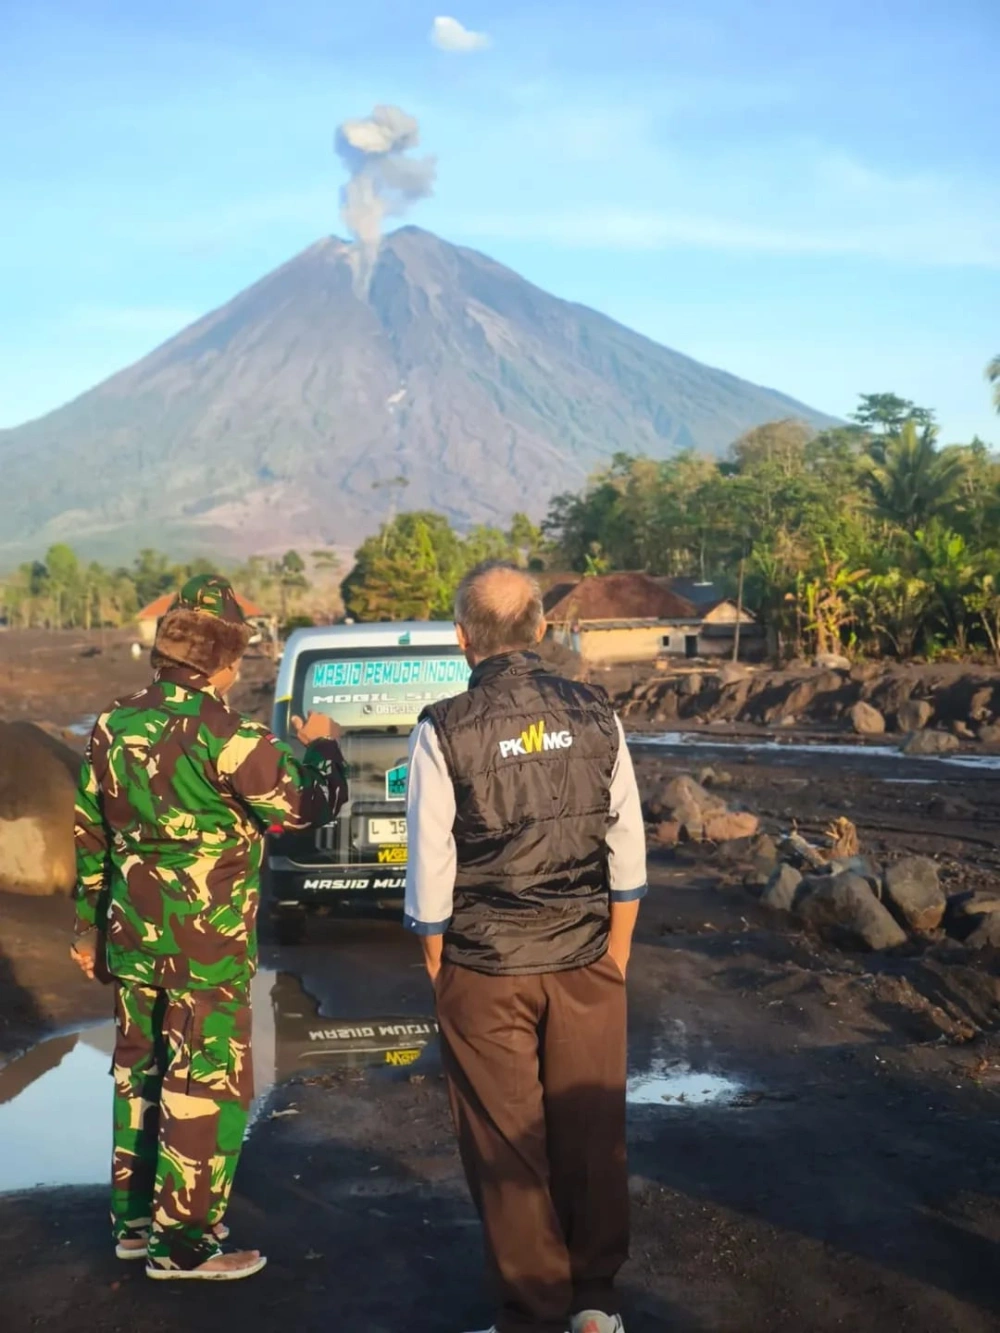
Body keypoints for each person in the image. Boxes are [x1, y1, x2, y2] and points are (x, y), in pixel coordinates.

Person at [70, 574, 347, 1281]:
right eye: (239, 657)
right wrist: (322, 747)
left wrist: (86, 928)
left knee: (139, 1073)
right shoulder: (229, 736)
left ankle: (135, 1225)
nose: (239, 669)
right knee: (204, 1082)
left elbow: (91, 834)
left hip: (132, 941)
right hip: (206, 951)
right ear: (222, 659)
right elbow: (309, 807)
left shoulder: (111, 725)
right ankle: (183, 1244)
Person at [404, 561, 647, 1333]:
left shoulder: (442, 726)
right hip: (584, 963)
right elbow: (629, 853)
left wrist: (439, 963)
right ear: (541, 629)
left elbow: (429, 866)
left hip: (484, 966)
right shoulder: (599, 712)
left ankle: (535, 1314)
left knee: (508, 1144)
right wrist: (615, 956)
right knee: (590, 1129)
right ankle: (596, 1304)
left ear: (461, 638)